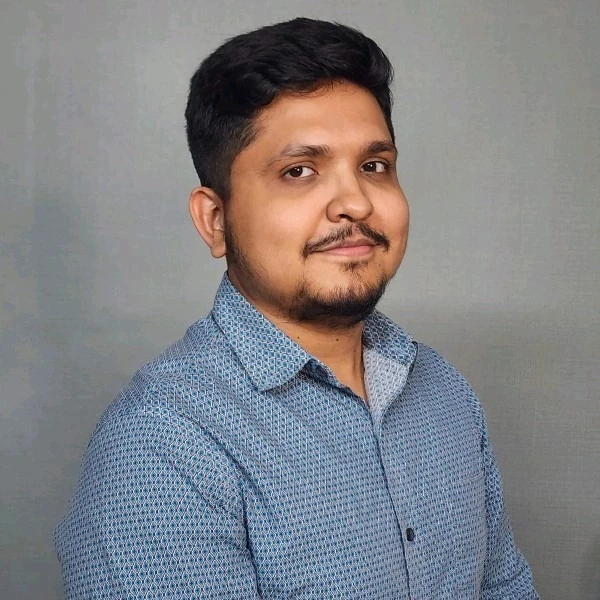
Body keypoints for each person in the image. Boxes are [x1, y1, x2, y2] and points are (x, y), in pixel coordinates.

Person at [55, 17, 539, 599]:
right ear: (215, 220)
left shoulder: (443, 392)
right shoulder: (164, 443)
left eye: (374, 166)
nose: (355, 202)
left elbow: (504, 585)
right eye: (299, 171)